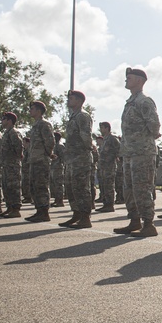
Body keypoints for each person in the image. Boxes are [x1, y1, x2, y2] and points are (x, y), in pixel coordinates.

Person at [114, 67, 161, 237]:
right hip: (129, 152)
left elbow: (154, 125)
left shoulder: (144, 101)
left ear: (140, 81)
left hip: (142, 152)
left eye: (130, 77)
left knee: (142, 188)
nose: (126, 79)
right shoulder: (130, 102)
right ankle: (134, 220)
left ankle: (148, 224)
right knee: (129, 188)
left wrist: (146, 138)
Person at [58, 90, 95, 229]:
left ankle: (85, 217)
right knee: (71, 186)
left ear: (79, 101)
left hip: (81, 158)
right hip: (72, 158)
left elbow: (86, 136)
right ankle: (76, 214)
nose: (69, 100)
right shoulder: (73, 116)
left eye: (71, 98)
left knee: (81, 187)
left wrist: (87, 149)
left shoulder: (82, 116)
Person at [25, 101, 56, 223]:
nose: (30, 111)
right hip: (34, 160)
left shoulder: (44, 124)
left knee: (41, 186)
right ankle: (39, 210)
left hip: (41, 160)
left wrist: (47, 154)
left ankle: (44, 212)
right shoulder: (35, 125)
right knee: (34, 186)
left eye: (32, 108)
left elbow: (50, 141)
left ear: (39, 111)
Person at [0, 112, 24, 218]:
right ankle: (9, 207)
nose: (2, 121)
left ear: (9, 120)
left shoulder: (14, 132)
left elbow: (18, 147)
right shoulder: (6, 133)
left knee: (13, 187)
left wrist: (15, 159)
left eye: (4, 119)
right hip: (6, 164)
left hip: (12, 164)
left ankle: (16, 209)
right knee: (6, 187)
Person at [97, 122, 119, 213]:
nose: (101, 130)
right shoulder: (105, 139)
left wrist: (116, 157)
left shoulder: (112, 138)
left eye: (102, 128)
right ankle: (106, 203)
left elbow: (118, 148)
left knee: (109, 185)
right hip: (103, 166)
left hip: (110, 166)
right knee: (105, 185)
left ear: (107, 128)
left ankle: (110, 205)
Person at [50, 132, 65, 208]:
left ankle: (60, 201)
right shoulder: (54, 146)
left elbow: (63, 157)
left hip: (58, 167)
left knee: (58, 184)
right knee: (54, 185)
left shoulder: (60, 146)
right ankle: (56, 200)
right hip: (53, 167)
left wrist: (59, 161)